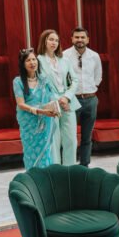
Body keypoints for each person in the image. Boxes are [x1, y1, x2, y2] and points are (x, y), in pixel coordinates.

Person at [37, 29, 81, 165]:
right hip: (51, 104)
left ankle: (70, 170)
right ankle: (55, 169)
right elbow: (38, 84)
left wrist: (67, 97)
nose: (54, 43)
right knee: (54, 140)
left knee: (71, 139)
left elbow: (75, 80)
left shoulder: (64, 60)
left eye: (56, 40)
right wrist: (56, 100)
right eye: (51, 39)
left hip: (67, 102)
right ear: (44, 41)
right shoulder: (38, 60)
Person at [13, 48, 59, 169]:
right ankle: (33, 177)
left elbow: (51, 97)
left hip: (44, 121)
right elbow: (21, 104)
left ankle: (46, 176)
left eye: (34, 59)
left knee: (45, 151)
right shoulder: (18, 82)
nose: (32, 62)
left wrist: (54, 108)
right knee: (30, 151)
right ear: (23, 64)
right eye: (28, 60)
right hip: (28, 122)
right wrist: (40, 111)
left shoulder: (44, 80)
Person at [63, 27, 102, 167]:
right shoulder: (64, 55)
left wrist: (92, 88)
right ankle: (69, 166)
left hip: (90, 100)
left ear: (88, 39)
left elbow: (98, 76)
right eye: (77, 37)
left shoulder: (94, 56)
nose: (80, 40)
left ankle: (84, 165)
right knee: (69, 136)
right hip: (72, 99)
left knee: (87, 136)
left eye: (82, 37)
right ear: (72, 39)